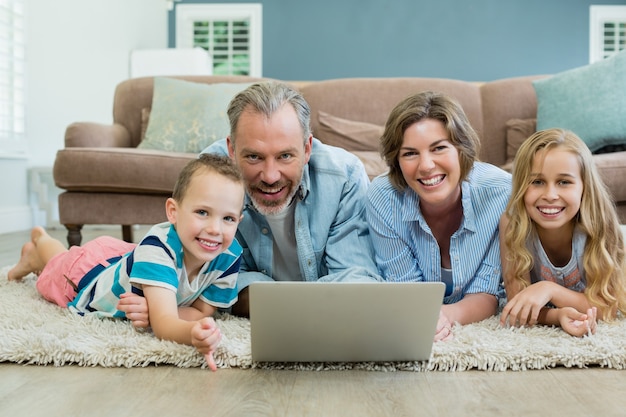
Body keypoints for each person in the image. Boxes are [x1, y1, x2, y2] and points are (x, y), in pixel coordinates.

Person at [7, 153, 245, 370]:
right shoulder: (158, 249)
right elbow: (166, 324)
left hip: (126, 258)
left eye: (228, 218)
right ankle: (40, 246)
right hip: (88, 275)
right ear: (173, 211)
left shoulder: (229, 254)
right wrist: (189, 331)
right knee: (59, 263)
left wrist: (155, 311)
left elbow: (202, 312)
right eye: (202, 212)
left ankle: (41, 249)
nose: (215, 229)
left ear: (239, 220)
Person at [201, 81, 381, 316]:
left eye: (285, 156)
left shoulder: (344, 177)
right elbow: (207, 278)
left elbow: (357, 277)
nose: (270, 176)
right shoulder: (207, 177)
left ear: (307, 149)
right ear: (232, 150)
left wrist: (276, 302)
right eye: (254, 157)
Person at [366, 91, 512, 342]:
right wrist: (425, 315)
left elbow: (486, 293)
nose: (426, 166)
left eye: (439, 148)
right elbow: (406, 288)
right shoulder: (383, 197)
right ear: (396, 161)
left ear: (461, 150)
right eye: (410, 153)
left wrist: (444, 315)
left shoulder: (501, 193)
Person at [499, 128, 626, 337]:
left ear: (585, 187)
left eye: (564, 182)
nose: (550, 195)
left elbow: (608, 308)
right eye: (537, 182)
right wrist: (557, 316)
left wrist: (549, 289)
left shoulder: (602, 221)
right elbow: (518, 305)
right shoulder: (513, 223)